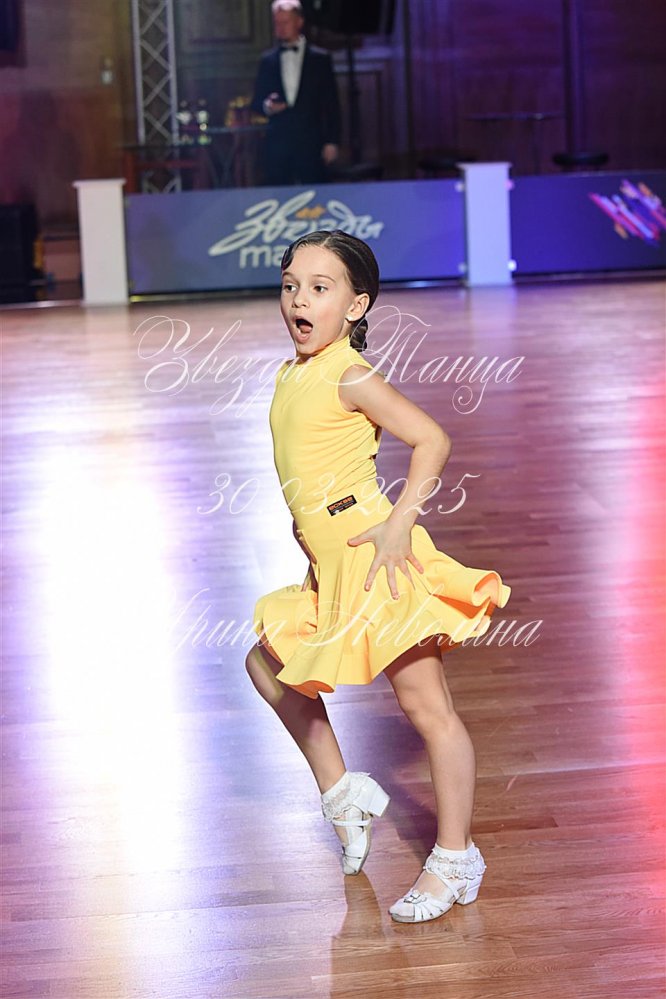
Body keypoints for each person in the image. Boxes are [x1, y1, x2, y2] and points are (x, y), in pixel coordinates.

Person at [245, 230, 512, 924]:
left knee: (428, 710)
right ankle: (344, 795)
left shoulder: (349, 373)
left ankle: (455, 859)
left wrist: (398, 524)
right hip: (330, 563)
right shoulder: (291, 373)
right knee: (267, 664)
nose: (299, 299)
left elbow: (432, 438)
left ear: (356, 304)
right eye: (290, 285)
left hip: (376, 558)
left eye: (320, 287)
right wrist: (310, 538)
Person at [250, 0, 341, 185]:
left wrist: (332, 142)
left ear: (299, 22)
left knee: (315, 195)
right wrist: (268, 106)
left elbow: (332, 105)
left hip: (312, 145)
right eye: (277, 23)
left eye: (285, 22)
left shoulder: (320, 60)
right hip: (278, 147)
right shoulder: (268, 61)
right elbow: (257, 102)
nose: (281, 28)